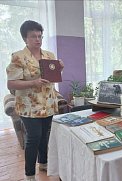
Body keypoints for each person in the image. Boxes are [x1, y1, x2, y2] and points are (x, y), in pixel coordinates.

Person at [6, 20, 64, 181]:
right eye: (33, 36)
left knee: (45, 135)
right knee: (33, 138)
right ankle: (29, 174)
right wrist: (33, 82)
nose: (38, 39)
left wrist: (60, 69)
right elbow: (11, 83)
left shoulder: (49, 56)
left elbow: (54, 78)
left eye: (40, 36)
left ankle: (44, 163)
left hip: (48, 103)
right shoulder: (18, 57)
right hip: (29, 106)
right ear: (25, 38)